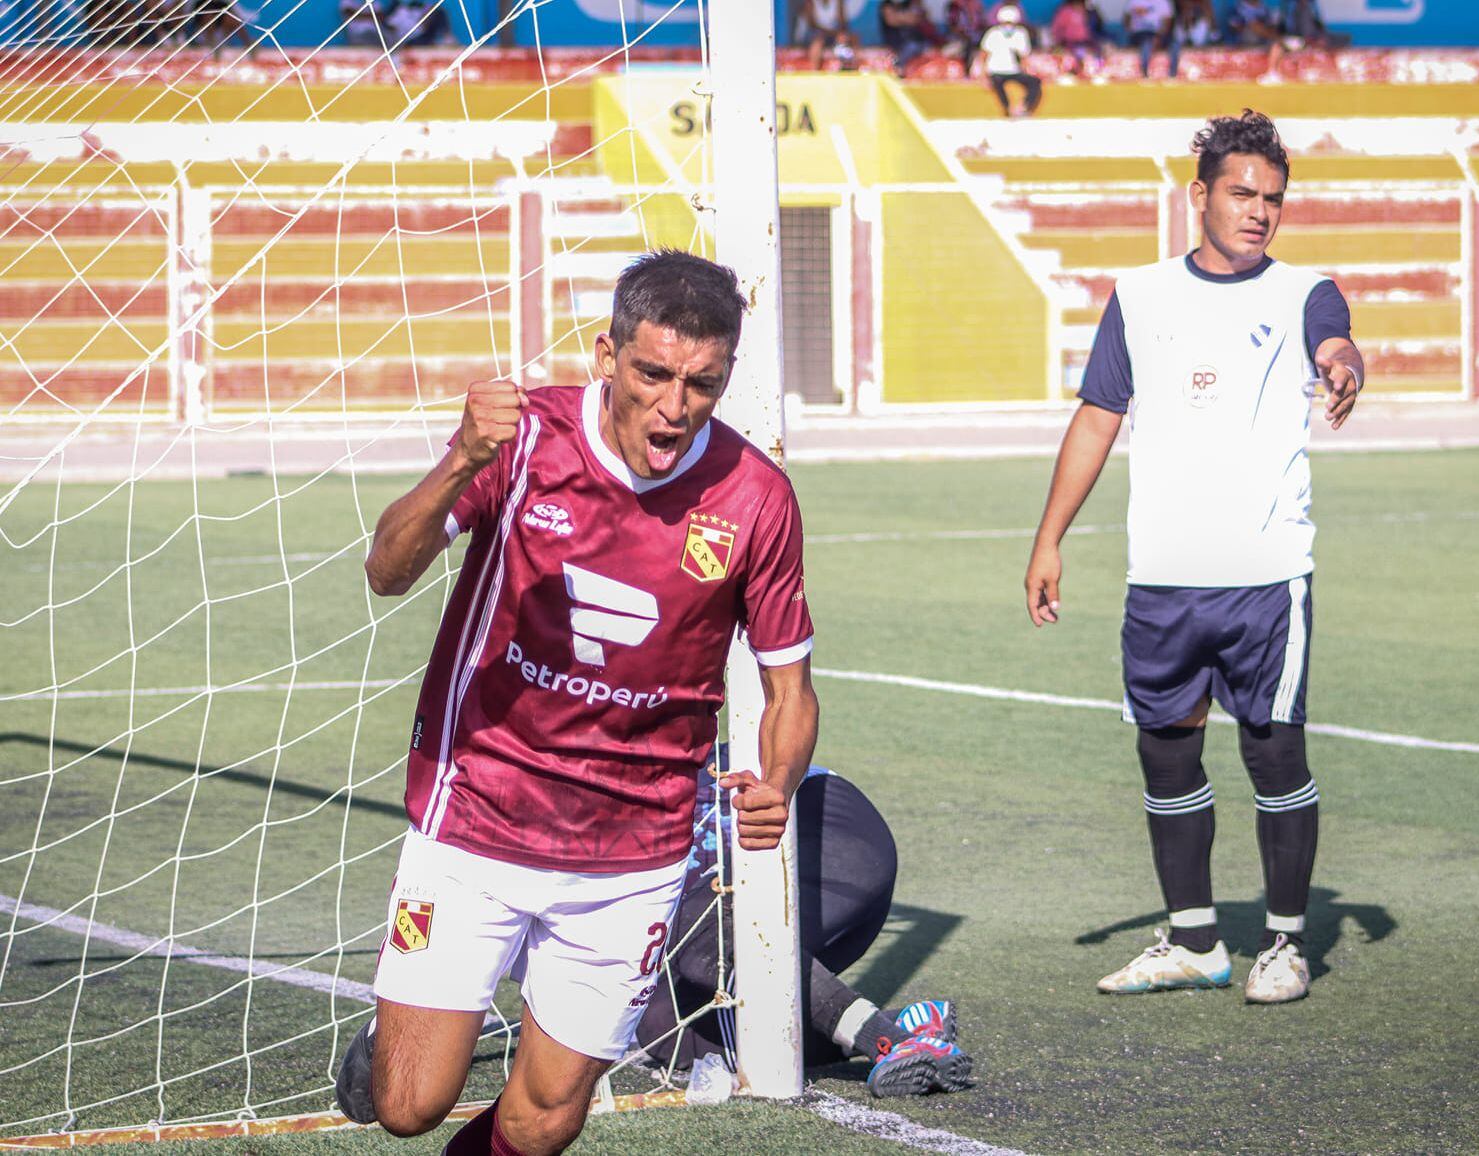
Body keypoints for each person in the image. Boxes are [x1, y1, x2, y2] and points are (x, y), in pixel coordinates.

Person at [334, 250, 820, 1156]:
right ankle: (385, 1042)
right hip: (479, 807)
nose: (674, 406)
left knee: (546, 1116)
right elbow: (386, 571)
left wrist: (779, 779)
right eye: (653, 374)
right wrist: (457, 463)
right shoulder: (521, 442)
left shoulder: (757, 498)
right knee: (408, 1104)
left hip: (636, 842)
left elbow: (791, 686)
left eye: (701, 383)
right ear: (607, 357)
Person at [1024, 111, 1362, 1006]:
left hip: (1266, 578)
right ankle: (1195, 940)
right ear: (1200, 194)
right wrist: (1049, 538)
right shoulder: (1138, 296)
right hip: (1162, 578)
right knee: (1165, 759)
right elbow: (1099, 416)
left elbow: (1334, 335)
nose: (1260, 212)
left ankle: (1286, 944)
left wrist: (1341, 363)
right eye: (1243, 193)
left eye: (1274, 199)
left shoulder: (1304, 290)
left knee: (1273, 753)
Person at [633, 746, 973, 1097]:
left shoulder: (614, 800)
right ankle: (902, 1024)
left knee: (703, 930)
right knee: (663, 1026)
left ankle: (890, 1042)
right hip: (776, 888)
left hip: (825, 827)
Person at [979, 6, 1041, 118]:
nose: (1008, 25)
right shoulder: (992, 34)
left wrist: (1030, 71)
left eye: (1011, 22)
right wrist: (983, 76)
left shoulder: (1021, 33)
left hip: (1014, 71)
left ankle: (1023, 107)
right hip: (995, 71)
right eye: (1006, 22)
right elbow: (983, 55)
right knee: (998, 86)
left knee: (1034, 82)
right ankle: (1008, 110)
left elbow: (1024, 57)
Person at [879, 0, 937, 78]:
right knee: (911, 47)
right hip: (898, 47)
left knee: (931, 52)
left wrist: (907, 15)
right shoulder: (887, 4)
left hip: (918, 44)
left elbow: (921, 16)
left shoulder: (908, 4)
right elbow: (892, 19)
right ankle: (901, 70)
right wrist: (907, 17)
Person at [798, 0, 859, 70]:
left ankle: (852, 68)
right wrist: (830, 32)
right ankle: (814, 70)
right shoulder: (810, 2)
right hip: (816, 33)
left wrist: (839, 34)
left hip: (833, 32)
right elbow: (812, 24)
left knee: (850, 38)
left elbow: (842, 22)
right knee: (817, 42)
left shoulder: (838, 1)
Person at [1049, 0, 1104, 76]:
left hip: (1088, 44)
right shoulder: (1065, 12)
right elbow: (1056, 31)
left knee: (1097, 59)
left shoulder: (1089, 11)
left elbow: (1097, 28)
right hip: (1069, 45)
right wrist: (1061, 44)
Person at [1124, 0, 1174, 78]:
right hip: (1139, 33)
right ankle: (1144, 73)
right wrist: (1130, 30)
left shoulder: (1163, 2)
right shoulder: (1134, 1)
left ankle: (1172, 75)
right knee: (1147, 43)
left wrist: (1159, 37)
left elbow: (1167, 22)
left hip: (1157, 33)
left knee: (1175, 45)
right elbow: (1126, 18)